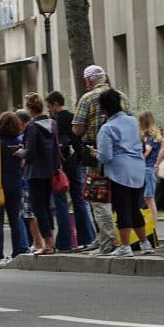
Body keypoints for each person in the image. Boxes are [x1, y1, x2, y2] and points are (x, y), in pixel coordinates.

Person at [72, 64, 131, 255]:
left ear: (88, 80)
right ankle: (123, 242)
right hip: (121, 153)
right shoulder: (121, 95)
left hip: (95, 152)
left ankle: (107, 242)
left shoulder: (87, 98)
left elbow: (77, 128)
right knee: (120, 197)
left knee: (98, 198)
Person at [89, 89, 154, 257]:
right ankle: (145, 243)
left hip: (119, 172)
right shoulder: (133, 121)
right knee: (134, 207)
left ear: (104, 109)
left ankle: (125, 246)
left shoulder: (107, 128)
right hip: (138, 168)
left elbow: (106, 156)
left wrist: (95, 153)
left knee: (123, 208)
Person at [46, 90, 96, 251]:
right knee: (79, 199)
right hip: (76, 163)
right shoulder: (74, 117)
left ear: (55, 104)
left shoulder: (54, 122)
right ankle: (87, 238)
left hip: (60, 166)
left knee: (61, 202)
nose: (49, 110)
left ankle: (65, 242)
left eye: (49, 106)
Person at [16, 93, 60, 255]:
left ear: (29, 109)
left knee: (38, 208)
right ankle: (52, 242)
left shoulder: (32, 127)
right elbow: (56, 148)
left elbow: (30, 153)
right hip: (50, 171)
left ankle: (47, 245)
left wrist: (20, 152)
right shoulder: (53, 124)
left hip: (35, 173)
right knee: (48, 207)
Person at [0, 112, 25, 267]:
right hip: (15, 185)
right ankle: (16, 253)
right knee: (15, 220)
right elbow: (22, 164)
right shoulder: (19, 143)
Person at [15, 109, 40, 253]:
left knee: (29, 214)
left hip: (25, 180)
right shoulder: (33, 133)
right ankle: (38, 243)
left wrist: (20, 153)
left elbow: (23, 162)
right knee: (34, 213)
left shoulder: (24, 137)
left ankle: (36, 244)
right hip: (35, 177)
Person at [138, 111, 162, 226]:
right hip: (148, 169)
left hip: (148, 169)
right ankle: (152, 224)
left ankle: (153, 224)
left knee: (149, 198)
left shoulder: (151, 138)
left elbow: (145, 153)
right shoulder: (153, 136)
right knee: (148, 198)